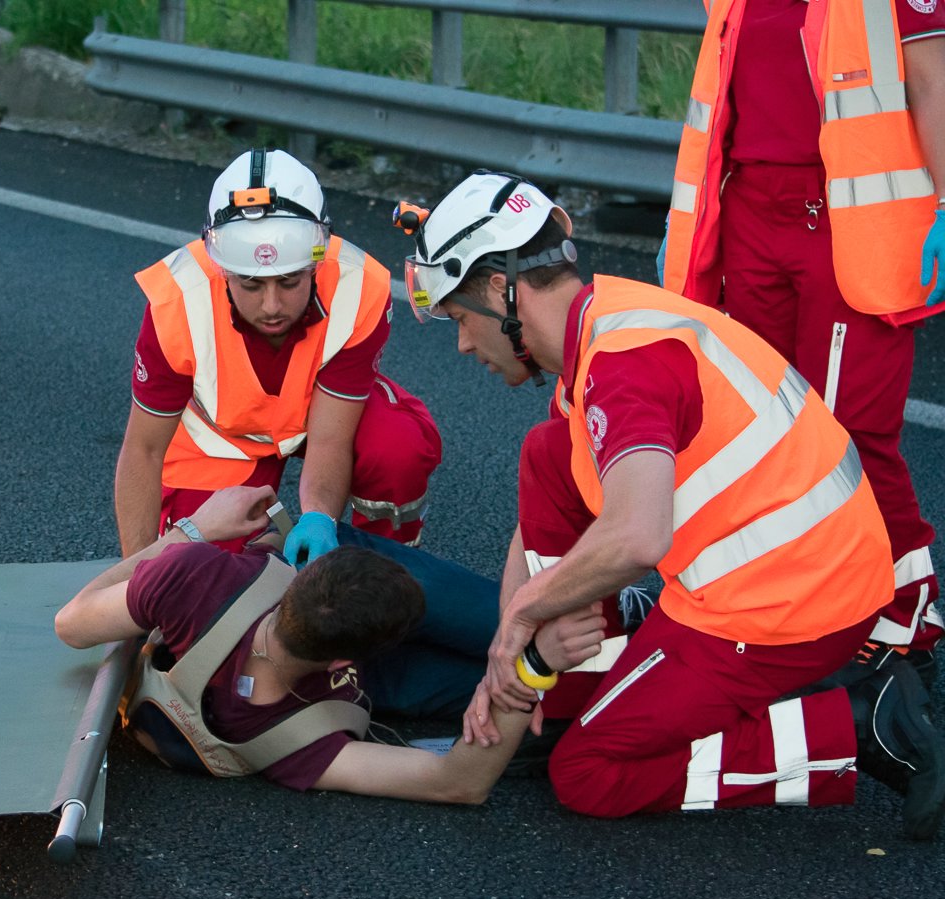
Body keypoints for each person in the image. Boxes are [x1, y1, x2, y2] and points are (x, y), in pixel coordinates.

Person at [404, 170, 945, 839]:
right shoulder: (607, 323)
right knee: (551, 453)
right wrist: (513, 654)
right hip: (795, 570)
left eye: (459, 319)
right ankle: (571, 698)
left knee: (588, 774)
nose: (461, 344)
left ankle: (855, 723)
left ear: (499, 289)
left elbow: (635, 537)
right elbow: (543, 518)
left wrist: (523, 613)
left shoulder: (626, 362)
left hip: (786, 604)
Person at [658, 0, 945, 684]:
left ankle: (908, 610)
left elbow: (932, 82)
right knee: (768, 431)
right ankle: (798, 602)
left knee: (851, 436)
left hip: (849, 227)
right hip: (749, 214)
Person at [56, 486, 608, 800]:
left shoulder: (195, 579)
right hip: (364, 672)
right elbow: (459, 783)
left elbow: (72, 622)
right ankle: (599, 616)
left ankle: (595, 647)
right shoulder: (298, 737)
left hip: (338, 677)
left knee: (573, 686)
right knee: (565, 673)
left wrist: (194, 529)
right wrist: (530, 662)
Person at [117, 148, 442, 564]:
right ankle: (264, 552)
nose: (272, 306)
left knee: (397, 448)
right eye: (251, 285)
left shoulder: (359, 285)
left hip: (318, 415)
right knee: (199, 577)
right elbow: (143, 451)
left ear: (315, 262)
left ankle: (381, 567)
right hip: (221, 440)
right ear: (223, 270)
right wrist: (138, 579)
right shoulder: (175, 301)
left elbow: (330, 438)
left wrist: (319, 517)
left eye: (289, 281)